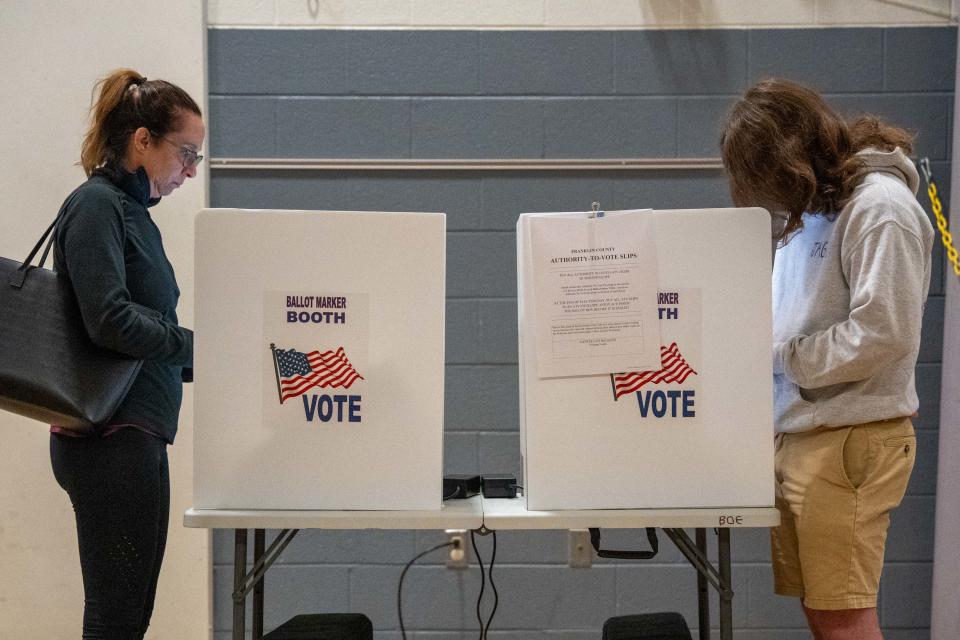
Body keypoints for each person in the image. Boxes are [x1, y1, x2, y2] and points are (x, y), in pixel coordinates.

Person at [720, 78, 933, 640]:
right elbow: (795, 320)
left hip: (847, 440)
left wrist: (783, 360)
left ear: (792, 158)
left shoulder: (881, 207)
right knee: (825, 612)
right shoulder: (816, 208)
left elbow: (883, 333)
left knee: (844, 618)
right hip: (807, 433)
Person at [49, 68, 203, 639]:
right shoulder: (97, 205)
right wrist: (192, 346)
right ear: (142, 140)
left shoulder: (132, 213)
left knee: (127, 619)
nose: (189, 171)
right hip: (109, 439)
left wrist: (202, 358)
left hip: (134, 435)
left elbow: (142, 329)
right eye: (185, 154)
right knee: (115, 620)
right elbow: (109, 320)